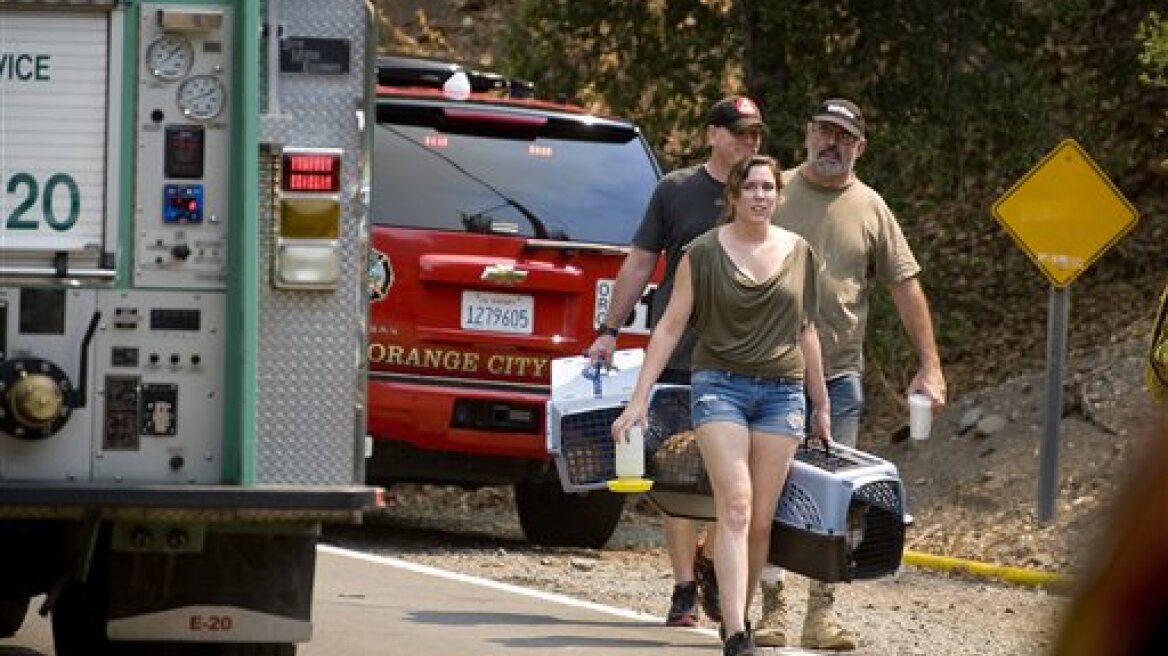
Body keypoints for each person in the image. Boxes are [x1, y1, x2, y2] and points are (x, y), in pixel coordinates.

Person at [612, 154, 830, 656]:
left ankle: (740, 611)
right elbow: (669, 328)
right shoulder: (702, 253)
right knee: (734, 504)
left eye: (768, 188)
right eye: (750, 187)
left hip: (782, 392)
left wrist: (819, 404)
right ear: (733, 197)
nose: (759, 195)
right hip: (720, 388)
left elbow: (807, 331)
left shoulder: (800, 253)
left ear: (779, 195)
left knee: (760, 521)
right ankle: (735, 631)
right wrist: (639, 398)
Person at [752, 98, 948, 650]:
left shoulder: (871, 207)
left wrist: (930, 365)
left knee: (839, 497)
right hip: (769, 372)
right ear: (808, 134)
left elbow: (905, 285)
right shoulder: (772, 190)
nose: (831, 144)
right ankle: (772, 608)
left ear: (859, 147)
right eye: (823, 132)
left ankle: (821, 614)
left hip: (839, 375)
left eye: (844, 137)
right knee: (773, 491)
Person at [587, 96, 765, 628]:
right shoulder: (677, 191)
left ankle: (711, 559)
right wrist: (608, 331)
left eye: (755, 135)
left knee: (733, 481)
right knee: (676, 477)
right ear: (713, 134)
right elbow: (640, 261)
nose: (748, 143)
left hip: (744, 363)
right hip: (680, 359)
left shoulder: (765, 193)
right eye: (738, 133)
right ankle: (685, 586)